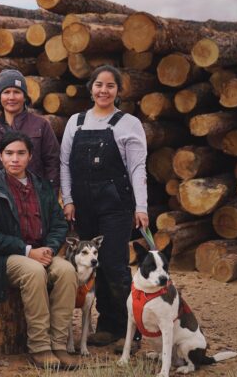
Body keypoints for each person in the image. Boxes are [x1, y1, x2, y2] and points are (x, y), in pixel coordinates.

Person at [59, 65, 149, 347]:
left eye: (110, 86)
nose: (104, 91)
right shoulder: (76, 121)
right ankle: (106, 325)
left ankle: (130, 332)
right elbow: (64, 164)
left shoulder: (128, 123)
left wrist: (141, 207)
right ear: (91, 88)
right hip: (83, 205)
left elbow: (137, 169)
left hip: (116, 206)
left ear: (118, 91)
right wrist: (69, 199)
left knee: (114, 266)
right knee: (91, 268)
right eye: (99, 85)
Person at [0, 131, 80, 370]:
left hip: (41, 252)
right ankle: (40, 347)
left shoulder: (41, 186)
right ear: (0, 156)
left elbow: (58, 224)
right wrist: (27, 250)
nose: (15, 159)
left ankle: (59, 345)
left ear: (30, 156)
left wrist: (51, 249)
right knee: (33, 271)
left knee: (66, 271)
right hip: (3, 258)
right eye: (9, 153)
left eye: (21, 153)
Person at [0, 69, 60, 193]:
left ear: (25, 97)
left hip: (33, 198)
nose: (11, 97)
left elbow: (53, 163)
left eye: (17, 92)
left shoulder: (41, 125)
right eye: (6, 92)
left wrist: (51, 197)